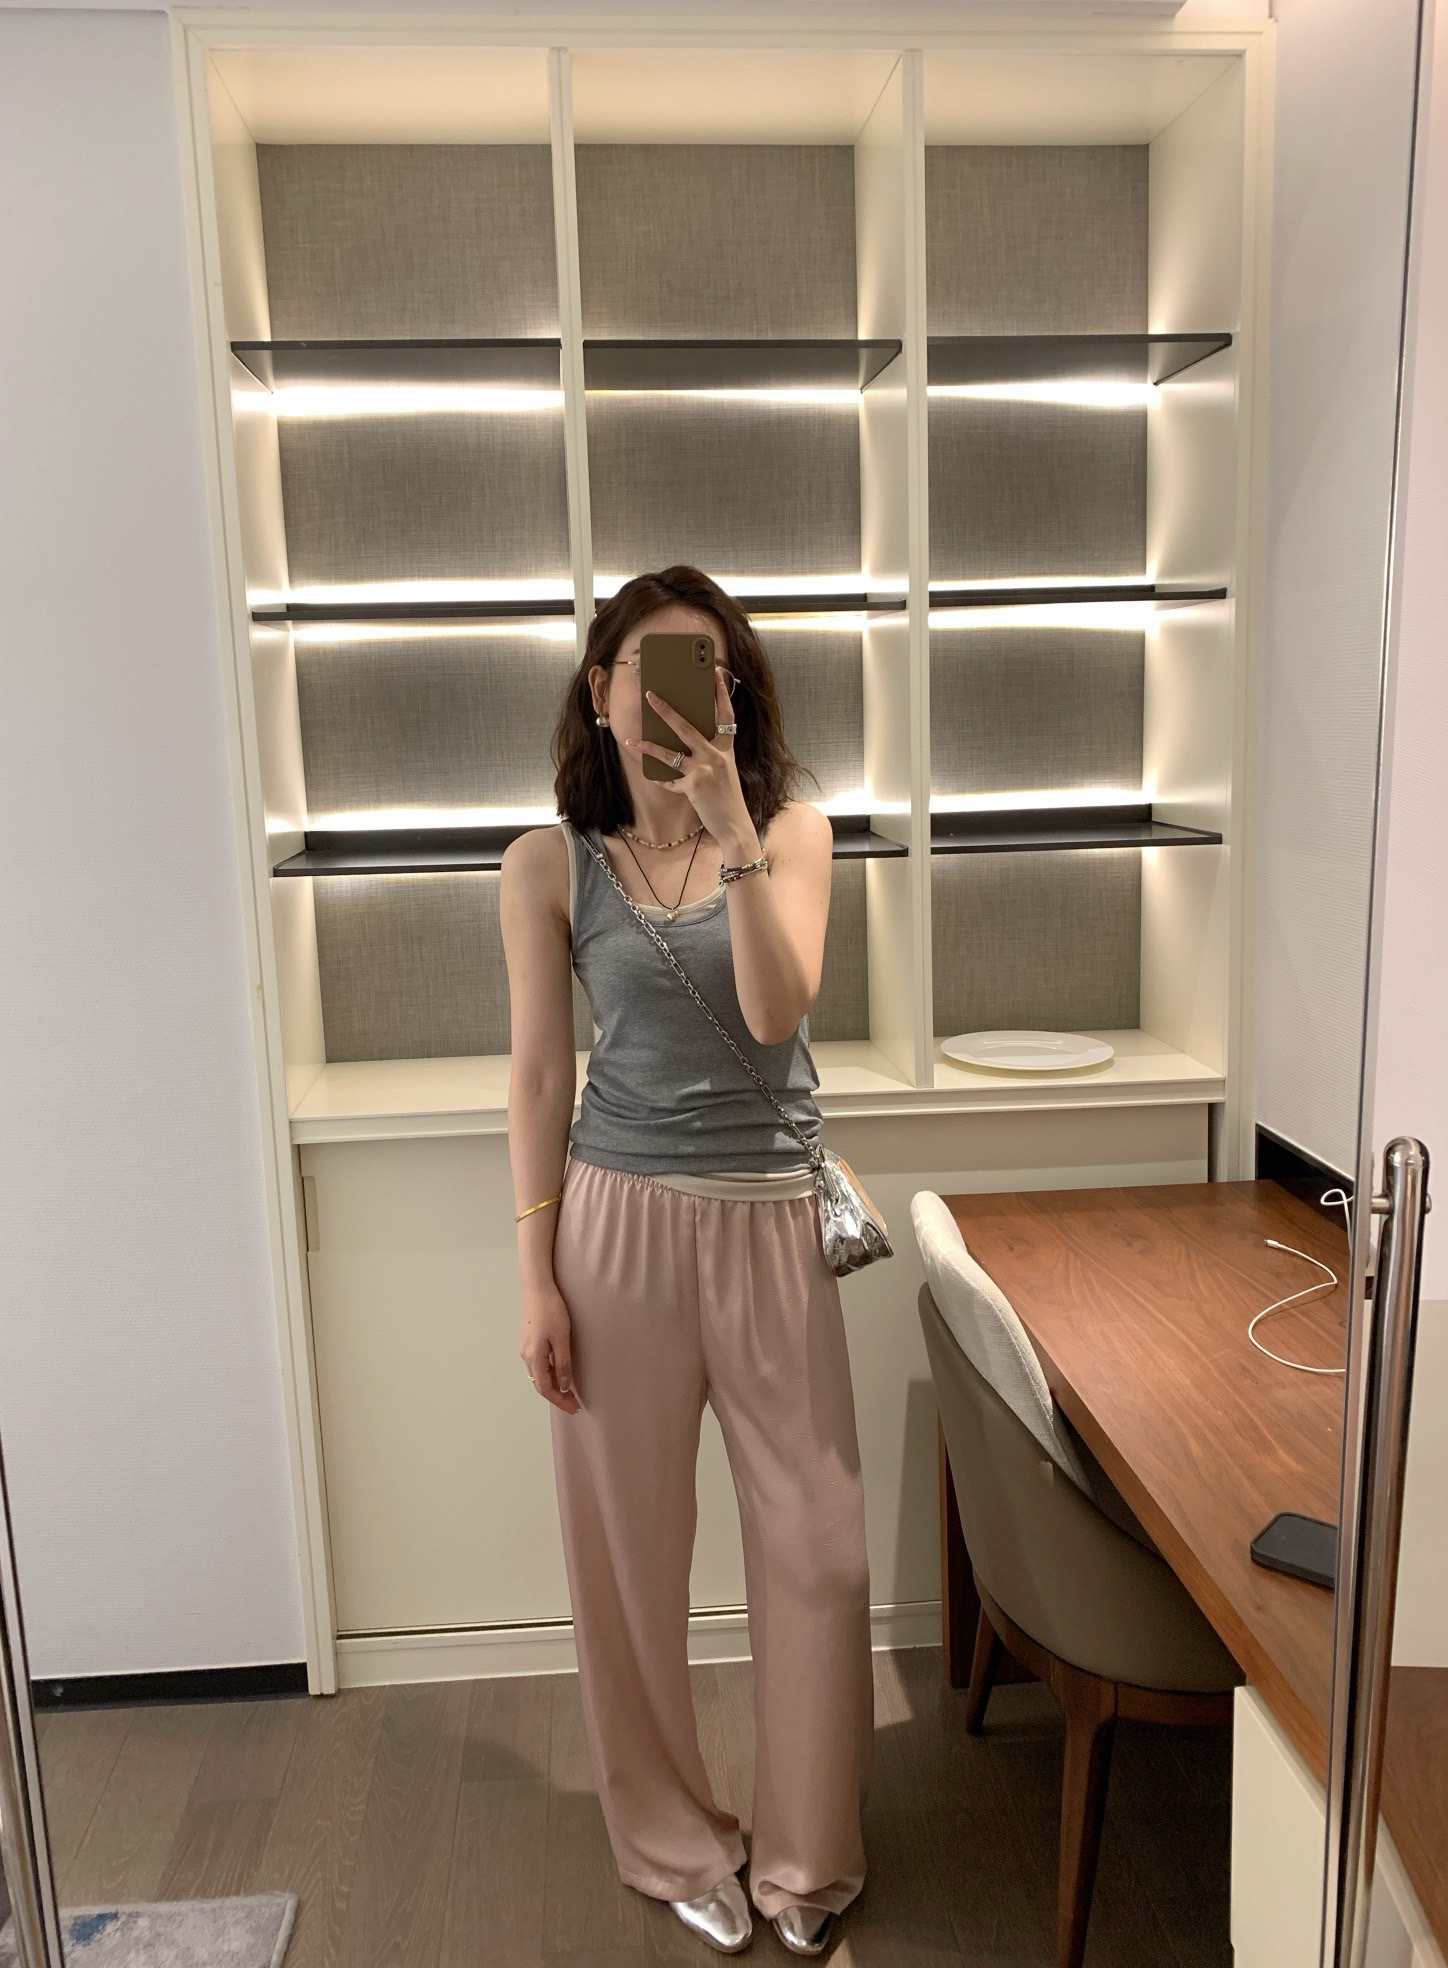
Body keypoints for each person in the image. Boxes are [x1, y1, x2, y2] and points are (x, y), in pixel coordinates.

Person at [498, 565, 874, 1958]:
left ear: (734, 692)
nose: (678, 690)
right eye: (648, 665)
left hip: (769, 1220)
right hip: (613, 1228)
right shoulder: (547, 865)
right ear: (600, 690)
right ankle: (670, 1839)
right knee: (629, 1557)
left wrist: (732, 835)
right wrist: (536, 1277)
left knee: (818, 1551)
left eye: (705, 667)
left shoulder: (794, 833)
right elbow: (541, 1078)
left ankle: (806, 1859)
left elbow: (775, 1014)